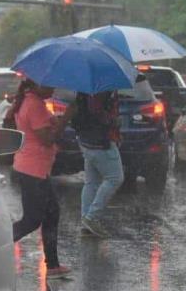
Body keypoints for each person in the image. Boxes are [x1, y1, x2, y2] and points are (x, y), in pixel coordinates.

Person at [7, 79, 75, 279]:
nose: (53, 89)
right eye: (50, 86)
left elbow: (43, 128)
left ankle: (52, 265)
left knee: (51, 213)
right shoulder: (34, 104)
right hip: (33, 170)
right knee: (32, 220)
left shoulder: (33, 101)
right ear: (37, 85)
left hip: (37, 169)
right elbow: (47, 139)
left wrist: (57, 119)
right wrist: (67, 118)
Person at [72, 89, 123, 237]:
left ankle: (86, 221)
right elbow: (97, 111)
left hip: (87, 139)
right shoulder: (101, 89)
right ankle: (91, 217)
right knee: (115, 178)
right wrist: (113, 121)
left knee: (91, 182)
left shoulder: (84, 89)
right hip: (100, 141)